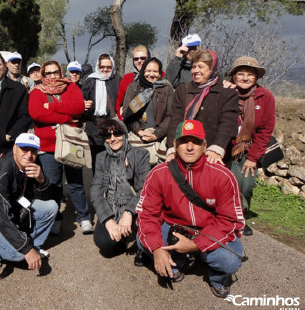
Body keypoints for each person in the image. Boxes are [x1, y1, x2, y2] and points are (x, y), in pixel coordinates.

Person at [136, 120, 245, 298]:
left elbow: (229, 221)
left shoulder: (223, 176)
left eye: (195, 141)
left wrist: (196, 244)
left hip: (209, 229)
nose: (189, 147)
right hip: (175, 227)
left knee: (229, 261)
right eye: (183, 141)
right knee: (143, 241)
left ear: (204, 145)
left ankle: (216, 276)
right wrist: (156, 248)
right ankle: (178, 259)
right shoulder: (158, 173)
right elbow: (147, 215)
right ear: (175, 145)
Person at [28, 60, 92, 235]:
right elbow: (37, 113)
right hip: (48, 147)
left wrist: (54, 107)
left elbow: (78, 106)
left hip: (71, 143)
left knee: (76, 182)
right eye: (48, 73)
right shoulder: (36, 92)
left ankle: (84, 217)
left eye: (55, 72)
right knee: (53, 184)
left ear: (60, 71)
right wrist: (67, 118)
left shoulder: (70, 87)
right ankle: (55, 218)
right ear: (43, 75)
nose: (52, 76)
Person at [0, 133, 58, 271]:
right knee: (19, 255)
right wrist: (26, 249)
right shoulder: (0, 170)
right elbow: (2, 217)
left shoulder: (32, 165)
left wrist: (42, 181)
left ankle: (32, 246)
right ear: (15, 149)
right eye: (24, 149)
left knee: (51, 207)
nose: (29, 155)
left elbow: (40, 198)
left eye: (33, 151)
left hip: (14, 208)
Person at [166, 49, 238, 167]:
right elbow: (175, 120)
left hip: (212, 155)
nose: (196, 71)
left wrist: (216, 148)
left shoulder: (227, 93)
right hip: (186, 152)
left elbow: (227, 123)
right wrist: (172, 148)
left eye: (201, 67)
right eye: (194, 67)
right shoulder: (183, 91)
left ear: (212, 68)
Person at [228, 57, 275, 236]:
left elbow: (266, 130)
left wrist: (253, 158)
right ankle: (230, 218)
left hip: (248, 150)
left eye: (250, 74)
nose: (245, 78)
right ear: (233, 76)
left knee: (246, 185)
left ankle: (242, 215)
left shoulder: (265, 97)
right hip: (226, 149)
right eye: (241, 74)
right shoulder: (226, 93)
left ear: (256, 78)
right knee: (230, 183)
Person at [91, 118, 150, 257]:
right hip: (112, 207)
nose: (112, 139)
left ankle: (142, 247)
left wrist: (128, 212)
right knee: (104, 242)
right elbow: (96, 191)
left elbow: (145, 189)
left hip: (135, 207)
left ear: (124, 134)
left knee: (147, 233)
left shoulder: (140, 155)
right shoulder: (101, 158)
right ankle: (120, 239)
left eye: (117, 133)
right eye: (107, 135)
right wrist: (107, 219)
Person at [122, 57, 174, 154]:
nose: (151, 74)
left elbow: (171, 115)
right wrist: (139, 131)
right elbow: (127, 112)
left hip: (158, 139)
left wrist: (156, 134)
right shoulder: (134, 87)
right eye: (148, 71)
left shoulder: (167, 88)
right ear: (143, 71)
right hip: (136, 138)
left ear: (159, 73)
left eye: (155, 71)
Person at [82, 53, 122, 172]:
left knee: (114, 161)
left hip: (113, 127)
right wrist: (85, 105)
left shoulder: (117, 79)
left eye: (108, 67)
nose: (105, 69)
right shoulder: (90, 81)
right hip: (95, 128)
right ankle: (99, 188)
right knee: (98, 162)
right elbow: (81, 102)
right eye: (102, 66)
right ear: (97, 67)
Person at [115, 45, 151, 119]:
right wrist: (121, 117)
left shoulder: (159, 75)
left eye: (143, 58)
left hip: (152, 120)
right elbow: (118, 102)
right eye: (136, 59)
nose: (139, 61)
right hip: (131, 121)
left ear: (149, 58)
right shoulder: (127, 78)